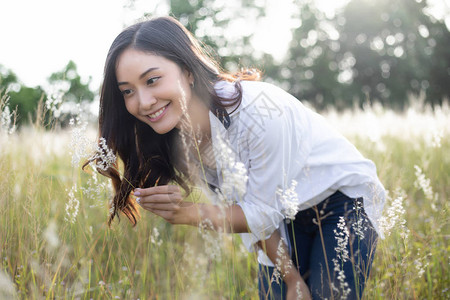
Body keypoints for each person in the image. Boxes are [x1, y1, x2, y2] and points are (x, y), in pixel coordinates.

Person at [91, 16, 385, 299]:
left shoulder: (258, 112)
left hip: (340, 203)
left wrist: (185, 213)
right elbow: (252, 212)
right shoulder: (178, 136)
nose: (143, 102)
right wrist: (292, 279)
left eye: (152, 80)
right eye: (128, 91)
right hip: (282, 215)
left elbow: (260, 211)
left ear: (188, 71)